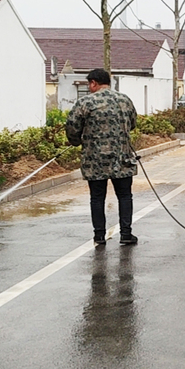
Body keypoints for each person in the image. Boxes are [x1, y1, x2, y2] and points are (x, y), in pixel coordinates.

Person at [66, 68, 139, 246]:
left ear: (93, 83)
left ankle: (99, 236)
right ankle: (126, 234)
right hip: (122, 158)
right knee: (125, 196)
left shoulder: (85, 102)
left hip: (95, 160)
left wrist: (77, 142)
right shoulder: (124, 100)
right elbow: (133, 123)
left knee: (97, 198)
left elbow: (72, 127)